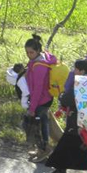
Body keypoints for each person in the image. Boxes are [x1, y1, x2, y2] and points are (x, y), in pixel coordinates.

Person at [24, 34, 55, 163]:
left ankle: (44, 149)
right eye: (27, 52)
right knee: (43, 122)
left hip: (41, 100)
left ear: (37, 51)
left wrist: (32, 107)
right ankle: (43, 148)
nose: (29, 55)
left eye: (31, 52)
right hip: (44, 98)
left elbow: (37, 89)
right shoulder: (36, 60)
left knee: (36, 125)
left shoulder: (40, 66)